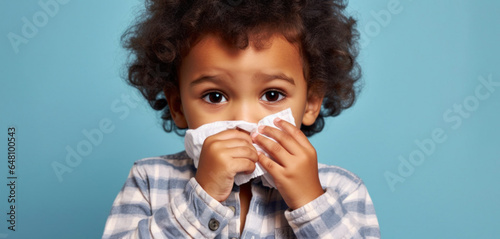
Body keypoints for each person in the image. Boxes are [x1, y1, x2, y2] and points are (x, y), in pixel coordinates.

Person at [102, 0, 380, 238]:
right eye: (214, 96)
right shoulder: (150, 180)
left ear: (311, 102)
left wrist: (310, 201)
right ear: (178, 106)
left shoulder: (343, 189)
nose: (243, 119)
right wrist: (203, 195)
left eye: (272, 95)